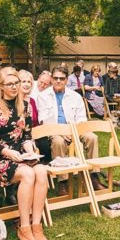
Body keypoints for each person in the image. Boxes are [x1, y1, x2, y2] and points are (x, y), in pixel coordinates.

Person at [0, 69, 50, 240]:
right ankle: (24, 227)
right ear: (1, 86)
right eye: (9, 84)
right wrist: (7, 152)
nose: (14, 87)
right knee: (28, 174)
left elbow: (26, 135)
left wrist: (29, 148)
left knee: (41, 171)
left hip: (20, 156)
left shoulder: (25, 106)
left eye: (16, 83)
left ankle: (36, 225)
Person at [36, 66, 103, 194]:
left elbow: (81, 118)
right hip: (54, 130)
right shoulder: (43, 96)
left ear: (66, 80)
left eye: (61, 78)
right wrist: (61, 132)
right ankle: (63, 181)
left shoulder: (75, 96)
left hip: (75, 129)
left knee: (92, 137)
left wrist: (73, 132)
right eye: (55, 78)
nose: (58, 81)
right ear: (51, 79)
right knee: (58, 142)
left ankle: (94, 175)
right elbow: (44, 120)